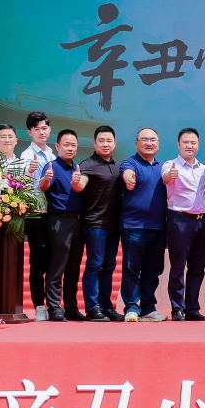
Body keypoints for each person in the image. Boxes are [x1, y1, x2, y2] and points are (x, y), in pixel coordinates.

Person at [117, 127, 169, 322]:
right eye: (144, 139)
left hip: (158, 227)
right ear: (136, 143)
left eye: (153, 139)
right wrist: (129, 179)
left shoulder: (163, 167)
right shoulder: (130, 162)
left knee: (153, 271)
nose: (149, 143)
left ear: (158, 144)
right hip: (134, 226)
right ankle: (131, 307)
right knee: (132, 269)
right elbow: (127, 173)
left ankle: (148, 307)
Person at [37, 129, 87, 321]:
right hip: (59, 220)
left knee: (73, 267)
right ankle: (54, 307)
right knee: (57, 265)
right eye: (66, 145)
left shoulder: (76, 168)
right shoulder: (53, 166)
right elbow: (43, 186)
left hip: (77, 222)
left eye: (73, 145)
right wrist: (45, 179)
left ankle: (71, 307)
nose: (70, 148)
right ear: (57, 146)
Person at [163, 128, 205, 321]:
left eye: (193, 142)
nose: (189, 146)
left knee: (197, 268)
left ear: (198, 144)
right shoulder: (170, 164)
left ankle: (192, 308)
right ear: (178, 144)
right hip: (180, 220)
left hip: (201, 221)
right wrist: (170, 175)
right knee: (178, 266)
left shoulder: (203, 168)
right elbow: (166, 177)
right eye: (185, 142)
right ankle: (177, 308)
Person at [79, 126, 124, 322]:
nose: (105, 144)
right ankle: (92, 307)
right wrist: (77, 182)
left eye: (109, 141)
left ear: (114, 143)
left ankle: (106, 306)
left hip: (114, 224)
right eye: (101, 140)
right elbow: (79, 185)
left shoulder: (119, 166)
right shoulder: (87, 165)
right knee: (95, 265)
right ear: (94, 143)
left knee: (109, 266)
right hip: (95, 223)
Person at [21, 111, 55, 322]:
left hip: (53, 214)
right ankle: (39, 306)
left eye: (44, 128)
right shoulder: (26, 156)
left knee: (52, 261)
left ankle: (53, 304)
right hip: (35, 214)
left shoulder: (52, 154)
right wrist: (31, 174)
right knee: (37, 262)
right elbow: (22, 186)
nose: (41, 132)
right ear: (29, 132)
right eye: (37, 129)